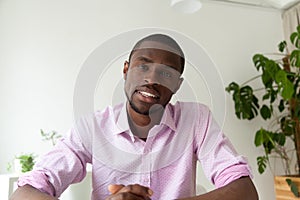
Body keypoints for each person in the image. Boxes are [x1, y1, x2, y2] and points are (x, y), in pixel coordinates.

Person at [10, 34, 258, 200]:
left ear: (177, 85)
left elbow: (244, 191)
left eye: (167, 73)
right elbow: (25, 193)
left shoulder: (196, 118)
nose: (152, 79)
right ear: (126, 69)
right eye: (143, 66)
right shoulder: (92, 127)